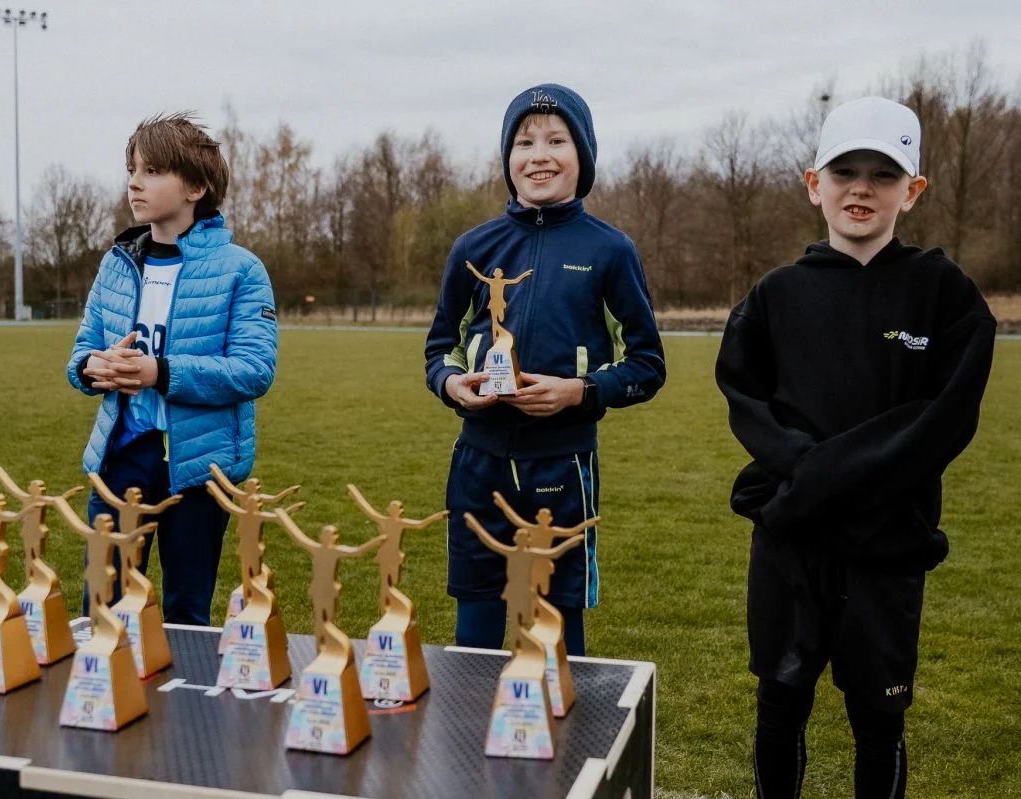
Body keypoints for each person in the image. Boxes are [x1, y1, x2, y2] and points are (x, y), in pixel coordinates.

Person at [715, 96, 996, 798]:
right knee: (780, 704)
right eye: (845, 171)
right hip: (791, 546)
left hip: (887, 545)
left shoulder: (947, 297)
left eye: (883, 173)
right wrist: (801, 472)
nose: (862, 188)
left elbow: (941, 422)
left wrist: (818, 477)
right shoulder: (775, 295)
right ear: (815, 184)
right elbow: (746, 401)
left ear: (914, 189)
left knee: (879, 718)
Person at [424, 84, 666, 656]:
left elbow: (648, 364)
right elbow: (440, 348)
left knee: (557, 631)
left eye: (557, 140)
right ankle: (468, 739)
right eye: (524, 141)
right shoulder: (473, 247)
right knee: (476, 628)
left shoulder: (610, 250)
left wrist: (580, 392)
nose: (539, 154)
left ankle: (565, 738)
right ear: (508, 159)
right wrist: (452, 384)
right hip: (477, 460)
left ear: (582, 157)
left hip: (563, 463)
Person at [66, 112, 277, 626]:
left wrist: (158, 373)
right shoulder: (117, 262)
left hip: (199, 466)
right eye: (131, 169)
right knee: (105, 604)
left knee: (185, 613)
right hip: (122, 457)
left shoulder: (240, 269)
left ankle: (186, 709)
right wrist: (97, 366)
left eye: (153, 170)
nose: (135, 182)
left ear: (197, 187)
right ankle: (106, 705)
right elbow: (82, 354)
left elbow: (254, 369)